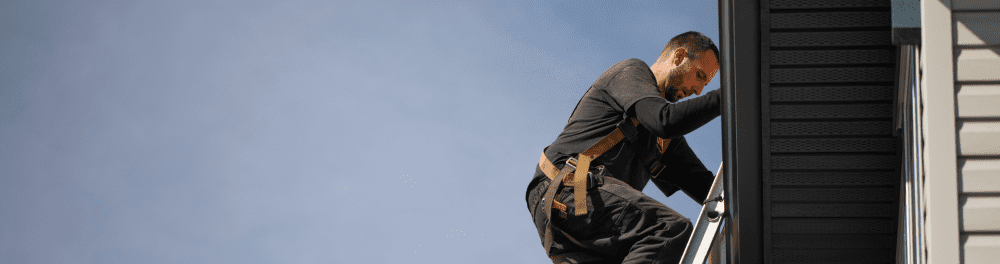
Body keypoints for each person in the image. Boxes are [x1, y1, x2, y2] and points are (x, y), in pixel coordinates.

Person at [525, 31, 721, 264]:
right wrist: (730, 96)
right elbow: (666, 120)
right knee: (669, 230)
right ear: (678, 57)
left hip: (578, 219)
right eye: (699, 76)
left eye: (706, 84)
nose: (699, 90)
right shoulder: (630, 72)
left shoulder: (664, 141)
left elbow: (708, 190)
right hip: (569, 189)